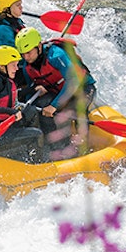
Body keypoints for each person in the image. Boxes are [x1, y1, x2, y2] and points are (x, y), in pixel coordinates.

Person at [13, 26, 93, 160]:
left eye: (29, 52)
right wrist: (26, 110)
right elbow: (31, 89)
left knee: (77, 109)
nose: (26, 57)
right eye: (23, 54)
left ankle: (83, 149)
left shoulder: (56, 55)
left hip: (83, 88)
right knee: (43, 109)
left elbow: (73, 80)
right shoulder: (27, 67)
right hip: (58, 90)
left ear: (39, 46)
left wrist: (54, 105)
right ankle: (57, 147)